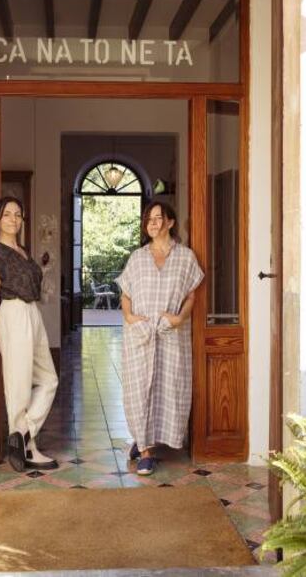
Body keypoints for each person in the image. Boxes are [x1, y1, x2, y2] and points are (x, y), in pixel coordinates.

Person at [116, 200, 204, 476]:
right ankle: (144, 451)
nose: (153, 224)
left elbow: (191, 294)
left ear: (170, 222)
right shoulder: (138, 257)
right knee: (140, 390)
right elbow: (125, 294)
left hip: (170, 335)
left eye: (158, 218)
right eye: (149, 220)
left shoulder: (185, 257)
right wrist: (129, 317)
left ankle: (145, 441)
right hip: (140, 335)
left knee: (167, 388)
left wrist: (179, 318)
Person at [0, 196, 59, 472]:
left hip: (31, 313)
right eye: (7, 215)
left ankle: (21, 434)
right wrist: (3, 336)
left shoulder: (23, 251)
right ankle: (29, 449)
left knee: (49, 379)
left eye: (18, 214)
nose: (14, 219)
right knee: (19, 386)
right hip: (13, 315)